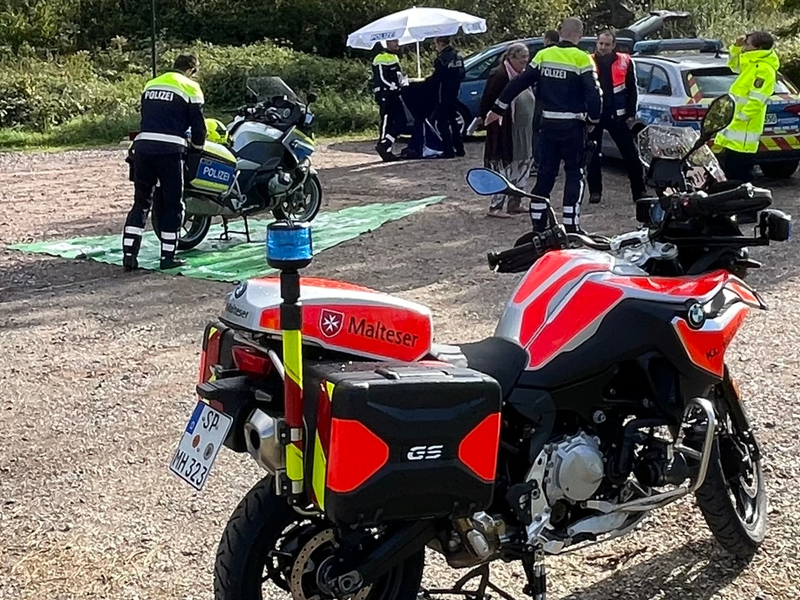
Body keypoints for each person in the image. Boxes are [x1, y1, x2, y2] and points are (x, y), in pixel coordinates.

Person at [485, 17, 601, 233]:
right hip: (573, 126)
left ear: (560, 32)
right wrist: (593, 120)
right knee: (575, 173)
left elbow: (519, 82)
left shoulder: (544, 55)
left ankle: (538, 224)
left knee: (546, 174)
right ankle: (571, 224)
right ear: (580, 34)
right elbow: (594, 95)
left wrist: (498, 108)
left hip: (548, 125)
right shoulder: (582, 59)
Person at [123, 54, 206, 271]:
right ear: (191, 70)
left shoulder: (151, 84)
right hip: (170, 151)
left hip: (143, 147)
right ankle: (168, 257)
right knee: (173, 203)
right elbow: (198, 128)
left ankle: (129, 255)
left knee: (141, 202)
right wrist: (197, 150)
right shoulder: (190, 87)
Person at [586, 29, 646, 204]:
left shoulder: (625, 61)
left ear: (613, 45)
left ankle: (639, 191)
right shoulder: (587, 61)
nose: (602, 47)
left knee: (631, 155)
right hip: (595, 116)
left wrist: (631, 113)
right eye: (600, 43)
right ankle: (595, 192)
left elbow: (632, 89)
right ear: (596, 43)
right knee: (593, 156)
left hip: (618, 116)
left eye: (606, 44)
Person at [480, 43, 536, 218]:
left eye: (527, 58)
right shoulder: (500, 76)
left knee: (523, 164)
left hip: (523, 130)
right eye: (521, 58)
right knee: (502, 167)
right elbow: (486, 104)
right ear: (511, 58)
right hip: (505, 132)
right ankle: (496, 207)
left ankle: (515, 202)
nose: (525, 61)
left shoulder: (523, 76)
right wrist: (494, 123)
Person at [715, 31, 778, 183]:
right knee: (730, 175)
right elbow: (734, 66)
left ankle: (744, 205)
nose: (745, 47)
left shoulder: (764, 69)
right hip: (736, 131)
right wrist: (736, 46)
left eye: (748, 44)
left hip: (744, 134)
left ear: (759, 48)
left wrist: (740, 117)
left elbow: (757, 101)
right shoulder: (752, 63)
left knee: (740, 178)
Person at [427, 36, 466, 158]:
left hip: (442, 94)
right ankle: (460, 148)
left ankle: (448, 150)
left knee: (442, 122)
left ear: (439, 43)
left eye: (436, 44)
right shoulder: (458, 56)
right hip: (454, 93)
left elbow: (437, 78)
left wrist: (426, 81)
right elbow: (462, 74)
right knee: (453, 121)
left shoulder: (441, 59)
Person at [372, 40, 408, 161]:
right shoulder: (380, 58)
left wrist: (402, 83)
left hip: (394, 94)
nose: (398, 44)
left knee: (401, 121)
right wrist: (393, 86)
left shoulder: (394, 57)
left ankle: (385, 145)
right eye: (394, 42)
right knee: (387, 122)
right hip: (385, 94)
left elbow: (397, 76)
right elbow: (381, 77)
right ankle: (384, 149)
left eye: (398, 41)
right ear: (386, 43)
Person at [532, 30, 561, 172]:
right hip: (559, 102)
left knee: (537, 131)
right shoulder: (563, 54)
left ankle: (538, 162)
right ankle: (552, 165)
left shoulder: (542, 54)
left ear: (547, 39)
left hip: (542, 100)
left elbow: (531, 77)